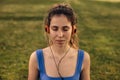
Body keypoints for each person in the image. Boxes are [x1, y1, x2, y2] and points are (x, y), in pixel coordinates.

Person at [28, 3, 90, 80]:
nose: (60, 35)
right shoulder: (36, 57)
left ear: (73, 30)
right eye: (55, 29)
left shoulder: (84, 58)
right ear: (47, 29)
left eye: (65, 29)